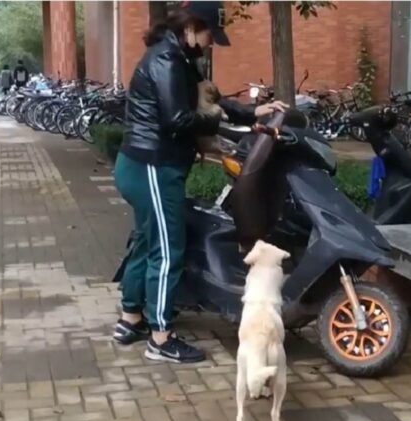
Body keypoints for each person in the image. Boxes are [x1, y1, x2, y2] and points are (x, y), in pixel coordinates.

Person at [112, 1, 286, 363]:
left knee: (147, 240)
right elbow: (178, 120)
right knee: (167, 248)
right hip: (153, 168)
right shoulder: (166, 62)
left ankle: (131, 320)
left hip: (143, 165)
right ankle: (160, 339)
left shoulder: (178, 59)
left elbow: (209, 102)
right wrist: (225, 128)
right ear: (191, 28)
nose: (210, 43)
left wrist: (252, 113)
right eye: (209, 35)